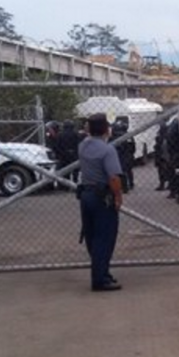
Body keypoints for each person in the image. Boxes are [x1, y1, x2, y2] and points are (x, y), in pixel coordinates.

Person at [77, 113, 124, 292]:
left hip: (86, 195)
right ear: (106, 129)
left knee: (92, 237)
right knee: (104, 238)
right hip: (102, 198)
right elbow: (113, 178)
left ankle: (102, 272)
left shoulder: (83, 146)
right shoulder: (107, 150)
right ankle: (100, 279)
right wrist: (118, 197)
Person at [111, 117, 135, 192]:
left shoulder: (113, 137)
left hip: (119, 156)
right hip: (128, 155)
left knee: (120, 171)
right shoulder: (128, 136)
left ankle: (124, 186)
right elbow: (133, 147)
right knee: (128, 170)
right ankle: (130, 184)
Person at [57, 120, 81, 185]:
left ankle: (66, 185)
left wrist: (61, 153)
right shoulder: (76, 134)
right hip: (74, 153)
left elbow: (58, 145)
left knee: (65, 170)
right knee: (75, 170)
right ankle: (74, 182)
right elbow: (79, 144)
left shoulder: (60, 134)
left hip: (64, 154)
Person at [154, 119, 170, 191]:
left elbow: (159, 145)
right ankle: (166, 184)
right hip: (162, 156)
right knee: (165, 171)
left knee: (163, 171)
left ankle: (163, 184)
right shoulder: (165, 135)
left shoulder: (162, 136)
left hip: (162, 156)